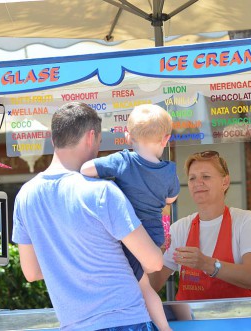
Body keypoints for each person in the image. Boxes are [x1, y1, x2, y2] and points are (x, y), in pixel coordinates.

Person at [12, 102, 163, 331]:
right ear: (91, 137)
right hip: (124, 320)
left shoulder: (25, 197)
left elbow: (31, 272)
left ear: (54, 140)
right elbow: (153, 263)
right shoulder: (101, 191)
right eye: (100, 143)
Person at [81, 103, 179, 331]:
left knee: (142, 288)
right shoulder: (169, 170)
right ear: (165, 140)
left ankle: (164, 329)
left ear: (128, 137)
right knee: (141, 285)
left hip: (131, 237)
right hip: (154, 238)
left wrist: (108, 182)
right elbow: (171, 198)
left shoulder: (122, 161)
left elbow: (85, 169)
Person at [150, 150, 251, 300]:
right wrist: (156, 253)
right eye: (192, 178)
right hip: (193, 321)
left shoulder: (245, 220)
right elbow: (153, 285)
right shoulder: (179, 229)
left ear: (225, 182)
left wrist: (206, 264)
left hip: (242, 318)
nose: (198, 183)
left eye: (206, 176)